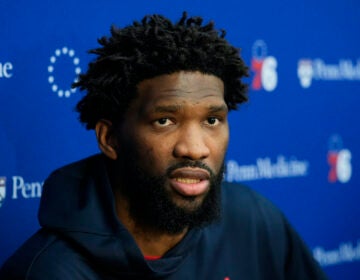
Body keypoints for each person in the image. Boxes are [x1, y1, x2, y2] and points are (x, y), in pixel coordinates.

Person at [0, 12, 327, 279]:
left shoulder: (255, 219)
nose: (195, 149)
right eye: (164, 121)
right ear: (109, 139)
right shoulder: (50, 272)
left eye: (212, 121)